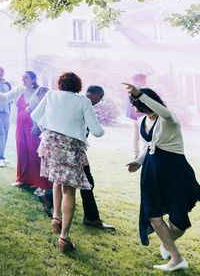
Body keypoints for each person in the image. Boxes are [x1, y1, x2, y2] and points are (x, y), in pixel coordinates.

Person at [125, 84, 200, 272]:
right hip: (151, 172)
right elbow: (151, 145)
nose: (134, 108)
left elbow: (163, 113)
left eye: (135, 103)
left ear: (144, 102)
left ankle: (167, 245)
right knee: (153, 214)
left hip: (175, 172)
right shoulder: (144, 122)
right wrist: (138, 161)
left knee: (179, 224)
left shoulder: (168, 118)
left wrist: (139, 95)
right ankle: (177, 258)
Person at [31, 72, 105, 253]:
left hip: (50, 143)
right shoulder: (84, 102)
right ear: (78, 86)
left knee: (57, 181)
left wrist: (50, 123)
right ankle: (64, 237)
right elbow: (96, 131)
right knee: (69, 190)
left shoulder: (51, 95)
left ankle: (56, 217)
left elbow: (34, 114)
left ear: (60, 84)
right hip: (70, 147)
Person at [0, 71, 51, 193]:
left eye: (26, 77)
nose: (23, 79)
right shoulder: (19, 89)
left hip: (34, 126)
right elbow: (6, 97)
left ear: (33, 79)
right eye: (22, 77)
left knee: (35, 152)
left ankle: (39, 182)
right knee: (22, 150)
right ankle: (23, 179)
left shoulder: (39, 91)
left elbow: (46, 107)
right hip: (20, 125)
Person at [81, 86, 115, 230]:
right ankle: (91, 218)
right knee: (87, 183)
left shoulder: (79, 102)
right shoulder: (84, 104)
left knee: (81, 182)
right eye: (100, 98)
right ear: (94, 94)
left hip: (75, 148)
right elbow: (97, 131)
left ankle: (49, 197)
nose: (100, 101)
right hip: (75, 149)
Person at [126, 73, 148, 159]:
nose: (146, 81)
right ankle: (142, 156)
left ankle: (137, 155)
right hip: (139, 116)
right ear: (139, 80)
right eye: (144, 79)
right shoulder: (138, 90)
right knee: (144, 136)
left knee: (136, 136)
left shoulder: (131, 89)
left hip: (133, 116)